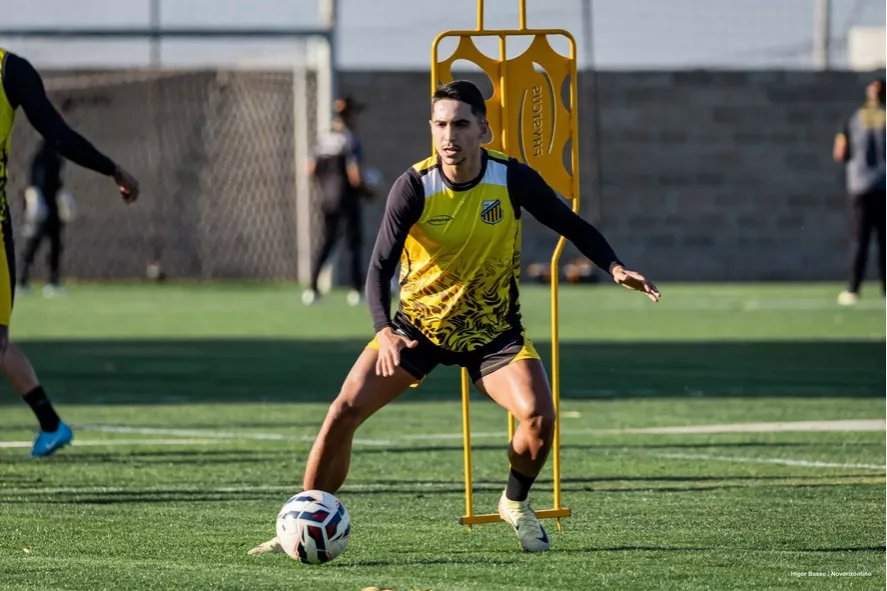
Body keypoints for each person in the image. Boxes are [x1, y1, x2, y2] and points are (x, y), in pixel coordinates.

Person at [251, 80, 659, 555]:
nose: (450, 136)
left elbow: (570, 224)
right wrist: (384, 331)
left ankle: (514, 502)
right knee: (343, 411)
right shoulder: (413, 186)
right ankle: (303, 518)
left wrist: (615, 267)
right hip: (416, 330)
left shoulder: (510, 178)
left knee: (540, 417)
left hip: (492, 332)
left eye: (461, 124)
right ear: (431, 128)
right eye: (441, 125)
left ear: (483, 130)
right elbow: (379, 268)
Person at [0, 48, 139, 456]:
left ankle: (50, 423)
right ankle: (50, 423)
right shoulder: (11, 68)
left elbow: (56, 134)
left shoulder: (9, 69)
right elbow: (57, 133)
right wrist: (113, 169)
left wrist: (111, 168)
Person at [302, 96, 372, 307]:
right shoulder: (351, 139)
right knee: (354, 243)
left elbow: (310, 169)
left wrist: (325, 185)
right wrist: (367, 192)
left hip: (327, 198)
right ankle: (356, 290)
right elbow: (354, 174)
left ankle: (312, 288)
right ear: (349, 115)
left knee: (327, 242)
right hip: (347, 198)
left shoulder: (323, 138)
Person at [833, 76, 885, 305]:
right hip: (884, 185)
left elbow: (840, 153)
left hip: (861, 185)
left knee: (859, 239)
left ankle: (853, 289)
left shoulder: (853, 117)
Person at [19, 99, 74, 297]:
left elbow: (55, 178)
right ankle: (21, 282)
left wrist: (61, 193)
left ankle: (53, 282)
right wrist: (36, 198)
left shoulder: (58, 149)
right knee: (34, 241)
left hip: (52, 201)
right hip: (42, 202)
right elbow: (37, 175)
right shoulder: (45, 149)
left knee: (56, 242)